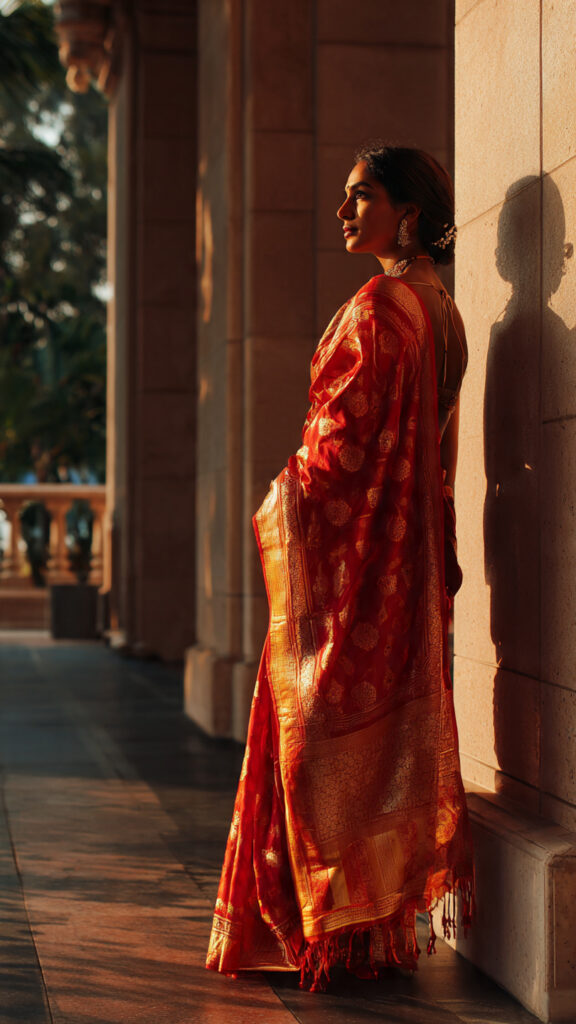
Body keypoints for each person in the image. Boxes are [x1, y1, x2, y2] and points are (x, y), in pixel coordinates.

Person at [206, 144, 474, 990]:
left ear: (410, 213)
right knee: (388, 741)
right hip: (412, 565)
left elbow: (341, 451)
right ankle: (371, 937)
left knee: (309, 740)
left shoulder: (378, 309)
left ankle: (329, 932)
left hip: (358, 569)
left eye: (362, 197)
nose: (343, 212)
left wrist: (281, 497)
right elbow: (432, 453)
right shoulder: (447, 312)